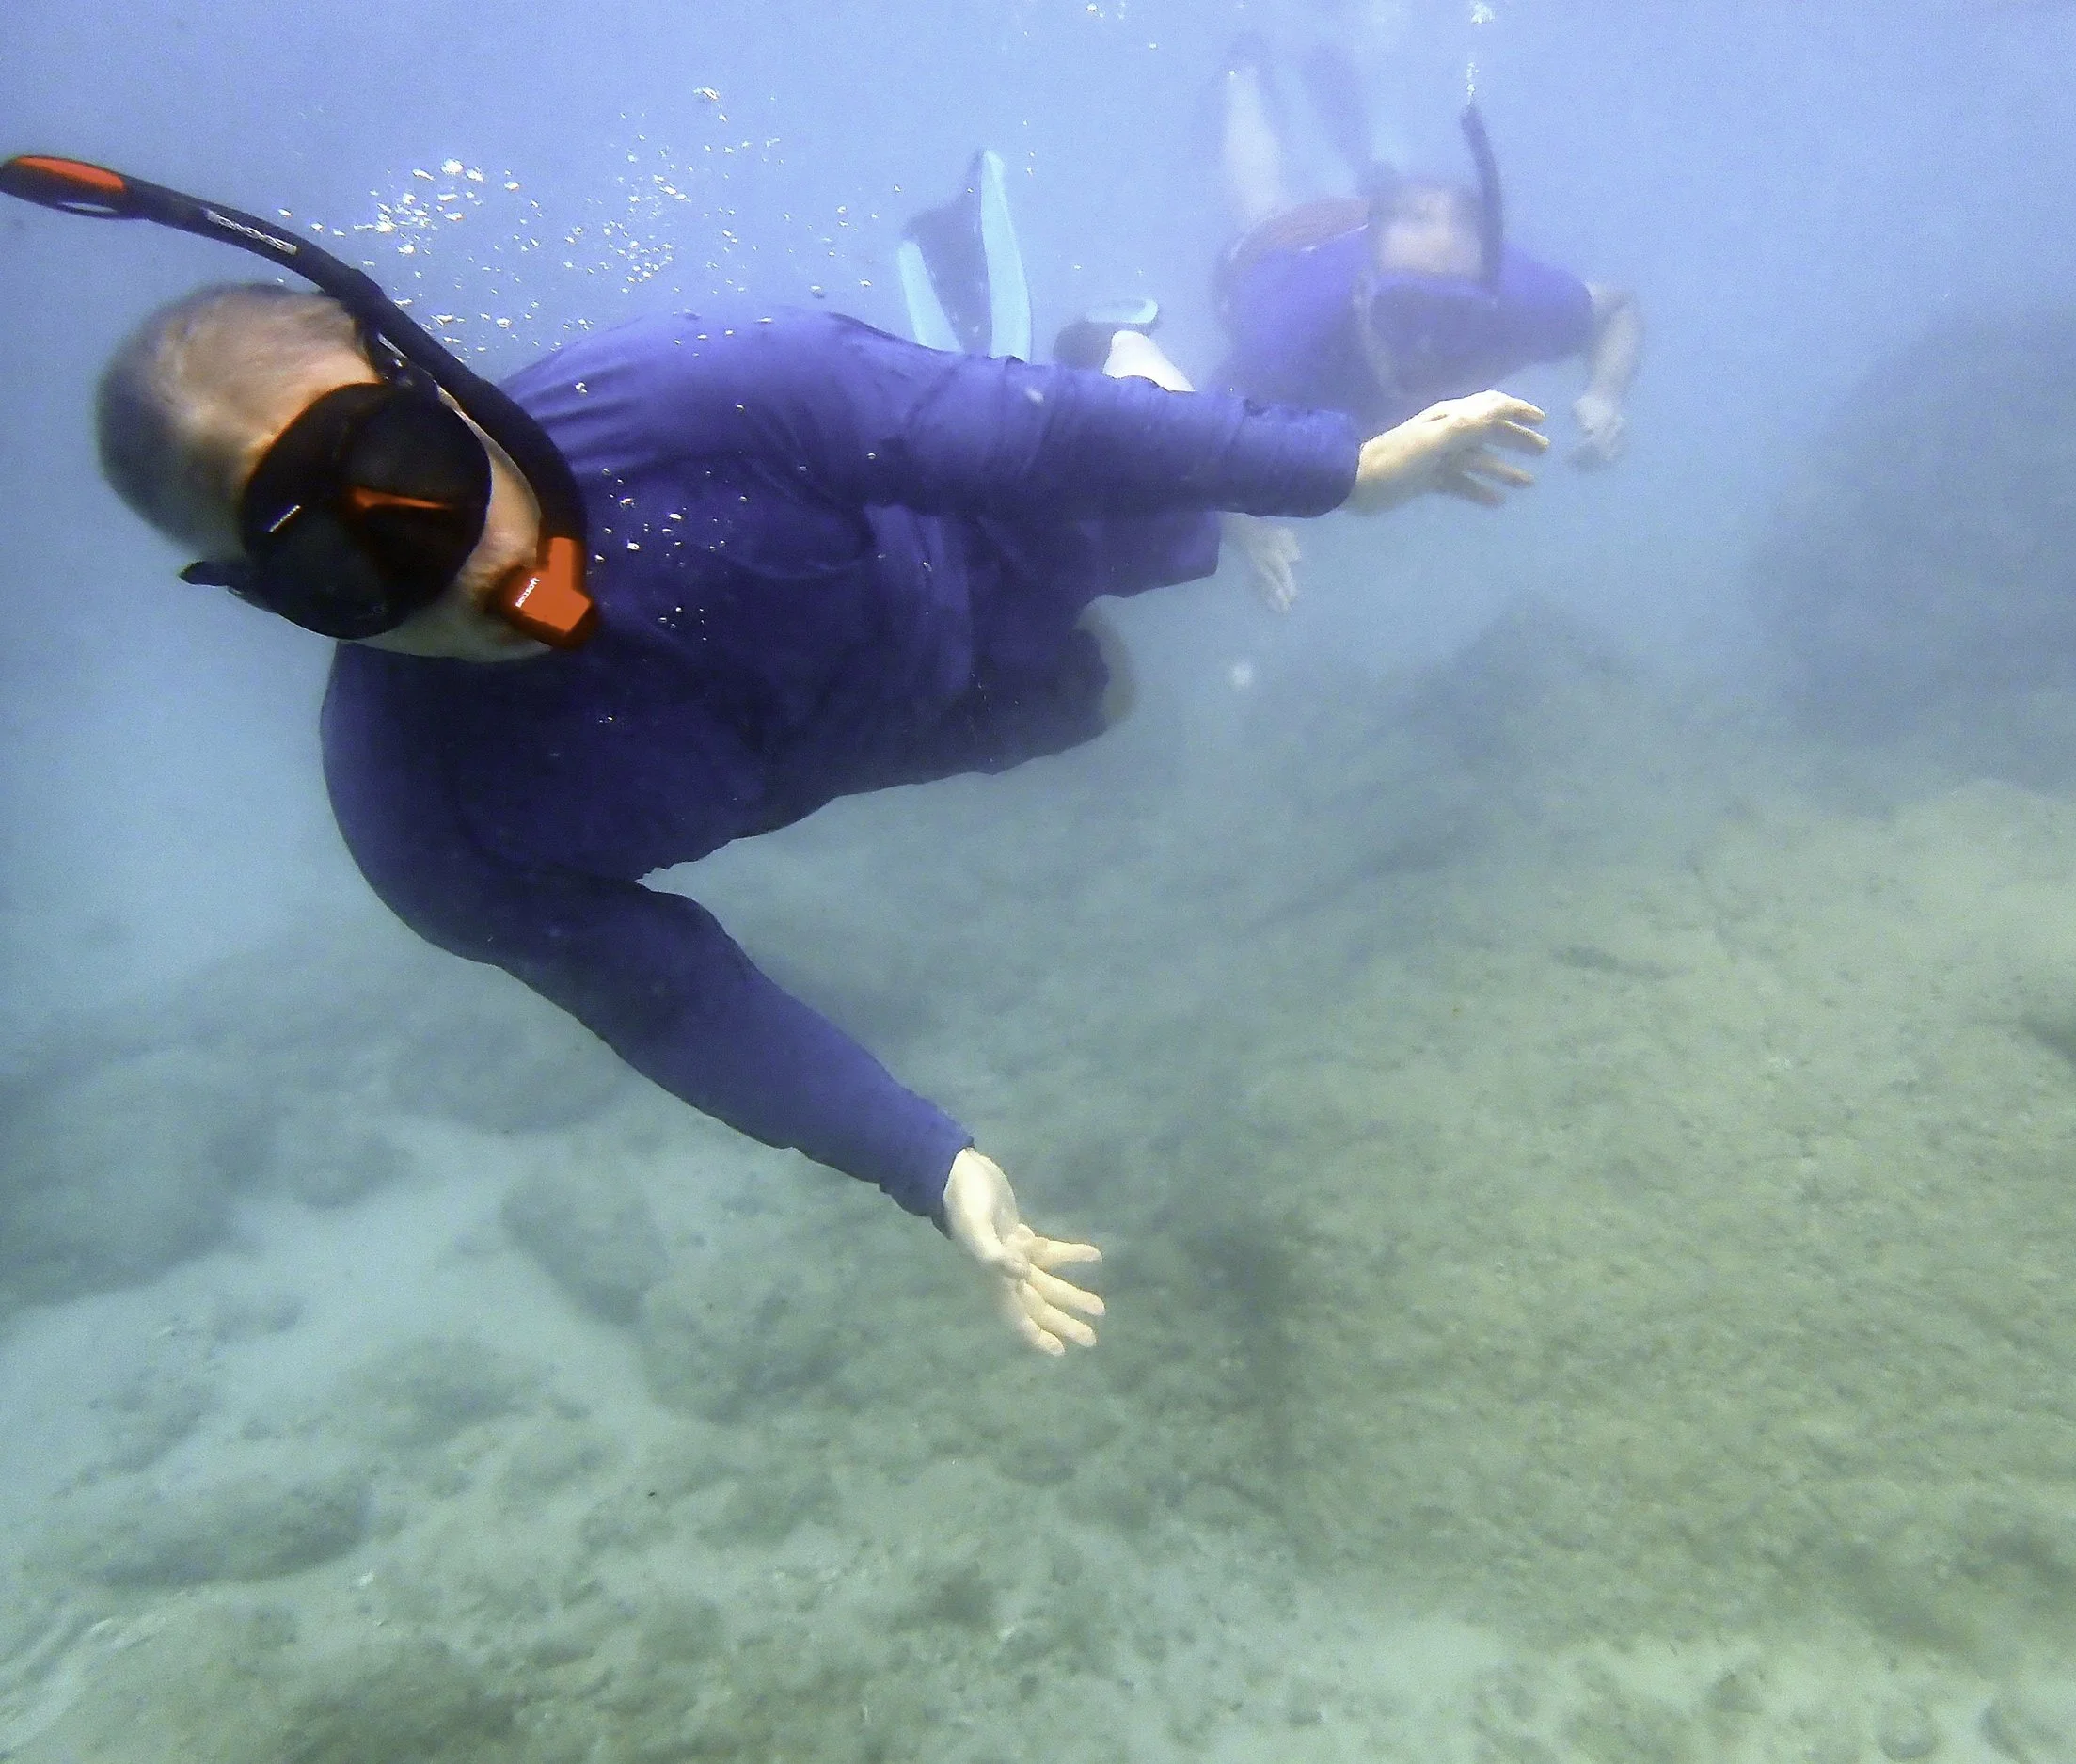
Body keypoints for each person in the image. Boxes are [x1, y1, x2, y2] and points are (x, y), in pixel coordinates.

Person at [19, 156, 1547, 1358]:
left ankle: (1104, 347)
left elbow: (1017, 445)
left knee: (1136, 469)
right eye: (338, 572)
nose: (450, 570)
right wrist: (922, 1159)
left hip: (984, 534)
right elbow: (675, 1002)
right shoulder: (434, 828)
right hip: (912, 719)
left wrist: (1339, 468)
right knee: (1100, 704)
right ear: (259, 604)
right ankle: (1121, 414)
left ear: (421, 378)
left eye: (410, 484)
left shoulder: (703, 393)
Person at [1212, 43, 1642, 607]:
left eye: (1456, 317)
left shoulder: (1514, 304)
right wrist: (1248, 531)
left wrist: (1606, 394)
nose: (1429, 350)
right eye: (1405, 315)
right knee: (1263, 203)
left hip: (1379, 233)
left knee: (1383, 176)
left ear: (1485, 303)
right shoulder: (1286, 340)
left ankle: (1348, 102)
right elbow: (1201, 433)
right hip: (1285, 247)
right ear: (1363, 299)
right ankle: (1244, 70)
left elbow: (1618, 309)